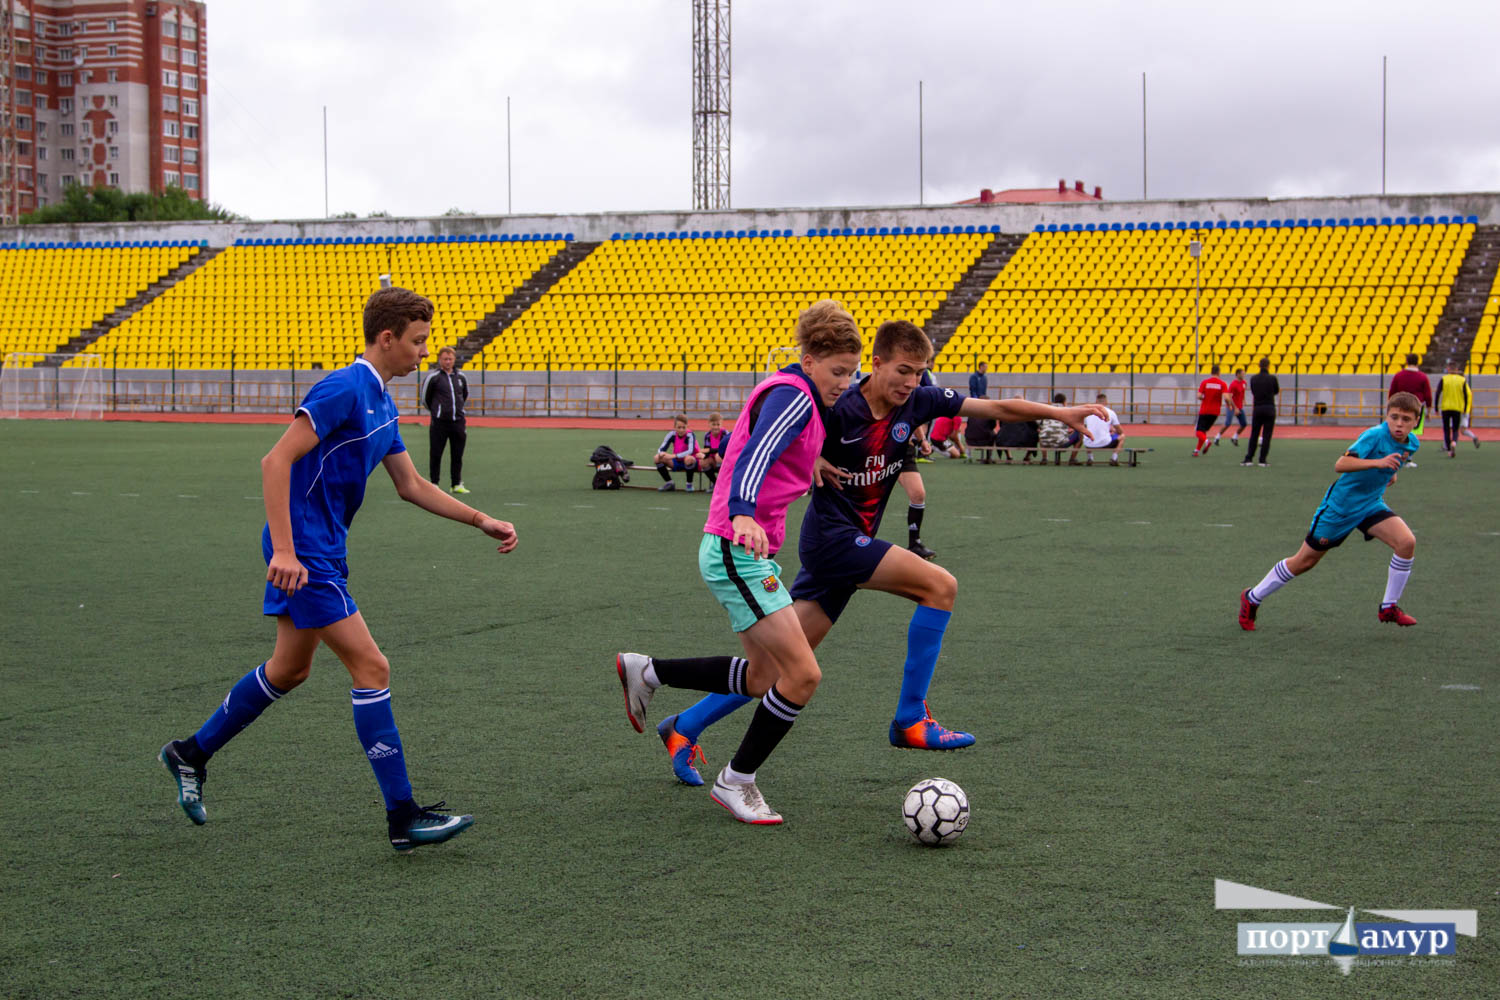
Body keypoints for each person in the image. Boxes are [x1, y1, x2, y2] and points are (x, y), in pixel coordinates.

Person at [650, 320, 1105, 790]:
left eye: (920, 372)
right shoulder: (837, 405)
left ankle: (684, 726)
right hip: (831, 540)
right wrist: (812, 461)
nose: (912, 382)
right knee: (940, 585)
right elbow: (785, 441)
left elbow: (993, 405)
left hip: (851, 546)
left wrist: (1060, 413)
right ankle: (911, 719)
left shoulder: (920, 400)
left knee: (781, 669)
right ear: (878, 363)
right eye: (904, 370)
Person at [157, 287, 518, 852]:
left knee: (288, 670)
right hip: (303, 555)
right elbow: (275, 461)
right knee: (372, 667)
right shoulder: (342, 388)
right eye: (418, 342)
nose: (425, 353)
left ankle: (189, 753)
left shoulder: (384, 405)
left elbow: (411, 485)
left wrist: (480, 519)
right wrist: (284, 551)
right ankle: (403, 817)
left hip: (324, 552)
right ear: (387, 338)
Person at [615, 300, 863, 824]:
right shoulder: (795, 396)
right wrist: (744, 512)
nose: (845, 380)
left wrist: (811, 459)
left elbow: (767, 443)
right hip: (737, 547)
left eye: (851, 371)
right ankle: (737, 781)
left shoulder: (799, 396)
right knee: (802, 675)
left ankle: (648, 671)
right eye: (838, 370)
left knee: (760, 677)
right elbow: (753, 456)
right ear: (810, 358)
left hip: (745, 550)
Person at [1238, 392, 1422, 631]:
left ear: (1416, 422)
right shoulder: (1374, 435)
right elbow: (1341, 465)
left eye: (1406, 419)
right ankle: (1252, 598)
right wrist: (1378, 463)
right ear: (1386, 416)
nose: (1399, 423)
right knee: (1304, 562)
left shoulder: (1412, 443)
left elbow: (1392, 465)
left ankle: (1388, 607)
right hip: (1340, 507)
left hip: (1371, 504)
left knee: (1406, 542)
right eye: (1394, 417)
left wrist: (1390, 474)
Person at [422, 345, 470, 494]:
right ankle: (434, 483)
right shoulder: (433, 377)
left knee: (457, 454)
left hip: (458, 422)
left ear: (454, 359)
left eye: (450, 359)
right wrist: (437, 411)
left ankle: (456, 484)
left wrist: (458, 410)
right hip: (439, 422)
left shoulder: (461, 377)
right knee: (436, 453)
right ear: (440, 360)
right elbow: (425, 398)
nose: (448, 361)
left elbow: (465, 394)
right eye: (445, 359)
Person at [1388, 353, 1432, 464]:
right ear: (1417, 362)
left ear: (1407, 361)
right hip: (1416, 408)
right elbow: (1428, 395)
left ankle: (1393, 454)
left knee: (1396, 431)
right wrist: (1429, 411)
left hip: (1399, 407)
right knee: (1412, 432)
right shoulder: (1422, 377)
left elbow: (1392, 393)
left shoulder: (1399, 375)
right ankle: (1407, 457)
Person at [1436, 361, 1480, 457]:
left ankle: (1472, 438)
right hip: (1459, 409)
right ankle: (1452, 444)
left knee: (1450, 429)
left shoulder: (1448, 380)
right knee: (1455, 429)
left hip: (1455, 409)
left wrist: (1466, 410)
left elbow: (1438, 393)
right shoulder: (1462, 383)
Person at [1241, 358, 1280, 467]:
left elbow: (1253, 391)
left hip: (1257, 408)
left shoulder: (1253, 378)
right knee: (1266, 435)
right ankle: (1262, 460)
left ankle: (1248, 458)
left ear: (1259, 365)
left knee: (1254, 434)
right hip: (1269, 408)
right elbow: (1276, 391)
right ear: (1268, 366)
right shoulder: (1272, 378)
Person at [1068, 393, 1125, 466]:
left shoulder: (1088, 412)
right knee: (1122, 436)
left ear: (1096, 402)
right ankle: (1114, 458)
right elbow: (1120, 431)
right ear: (1106, 402)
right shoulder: (1111, 412)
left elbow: (1083, 427)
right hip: (1105, 443)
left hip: (1089, 444)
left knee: (1084, 433)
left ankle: (1090, 458)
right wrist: (1113, 431)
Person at [653, 414, 699, 491]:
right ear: (675, 427)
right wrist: (661, 453)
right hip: (676, 461)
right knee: (657, 458)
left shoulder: (690, 435)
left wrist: (673, 456)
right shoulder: (672, 434)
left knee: (688, 459)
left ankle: (689, 485)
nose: (681, 430)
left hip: (689, 461)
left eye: (683, 427)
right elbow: (662, 447)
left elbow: (690, 451)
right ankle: (670, 483)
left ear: (687, 426)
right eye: (679, 427)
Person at [1193, 365, 1229, 456]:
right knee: (1203, 431)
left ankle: (1207, 441)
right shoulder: (1222, 384)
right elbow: (1226, 397)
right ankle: (1196, 451)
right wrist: (1230, 405)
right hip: (1215, 412)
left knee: (1198, 432)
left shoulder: (1205, 382)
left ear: (1211, 372)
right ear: (1219, 372)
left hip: (1205, 410)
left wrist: (1204, 397)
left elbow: (1198, 396)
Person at [1213, 368, 1248, 447]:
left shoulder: (1244, 383)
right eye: (1242, 374)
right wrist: (1235, 408)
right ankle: (1217, 437)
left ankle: (1235, 437)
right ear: (1238, 374)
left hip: (1239, 406)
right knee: (1228, 423)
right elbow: (1229, 397)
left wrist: (1244, 399)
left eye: (1244, 374)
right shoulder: (1233, 384)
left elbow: (1243, 391)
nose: (1243, 375)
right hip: (1231, 406)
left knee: (1244, 424)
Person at [697, 411, 731, 487]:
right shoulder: (707, 435)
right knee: (702, 461)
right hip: (713, 460)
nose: (716, 427)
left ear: (721, 424)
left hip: (725, 460)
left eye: (718, 424)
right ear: (709, 424)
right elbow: (707, 451)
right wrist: (702, 455)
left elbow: (726, 449)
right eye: (713, 424)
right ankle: (715, 484)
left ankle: (722, 483)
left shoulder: (725, 433)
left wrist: (709, 450)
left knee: (718, 456)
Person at [1037, 392, 1072, 460]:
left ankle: (1044, 458)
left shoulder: (1046, 409)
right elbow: (1070, 427)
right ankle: (1072, 459)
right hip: (1061, 443)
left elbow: (1040, 426)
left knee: (1042, 433)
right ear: (1064, 402)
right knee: (1078, 434)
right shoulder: (1066, 411)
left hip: (1045, 442)